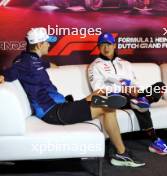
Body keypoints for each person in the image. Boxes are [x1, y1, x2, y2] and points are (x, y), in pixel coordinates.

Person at [0, 27, 145, 167]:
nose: (49, 44)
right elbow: (7, 75)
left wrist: (52, 66)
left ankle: (110, 107)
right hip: (53, 112)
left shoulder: (34, 59)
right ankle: (121, 153)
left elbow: (46, 64)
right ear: (38, 45)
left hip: (62, 105)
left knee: (100, 93)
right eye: (46, 42)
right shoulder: (23, 63)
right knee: (108, 108)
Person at [88, 32, 167, 155]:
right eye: (102, 45)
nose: (106, 48)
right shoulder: (95, 66)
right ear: (98, 47)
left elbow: (135, 82)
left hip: (133, 95)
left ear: (114, 45)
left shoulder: (125, 63)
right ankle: (154, 140)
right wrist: (122, 89)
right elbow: (98, 88)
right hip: (116, 97)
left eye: (109, 44)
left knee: (160, 86)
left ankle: (141, 101)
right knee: (140, 105)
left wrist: (136, 90)